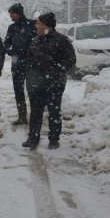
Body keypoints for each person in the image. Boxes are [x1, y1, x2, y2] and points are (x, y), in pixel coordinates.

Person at [23, 12, 76, 150]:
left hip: (54, 84)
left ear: (46, 26)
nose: (35, 25)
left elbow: (70, 61)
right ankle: (33, 138)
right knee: (35, 112)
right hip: (36, 84)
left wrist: (55, 69)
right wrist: (29, 74)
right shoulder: (35, 40)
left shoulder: (61, 41)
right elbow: (28, 60)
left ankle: (54, 139)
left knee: (54, 111)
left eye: (38, 23)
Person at [3, 3, 36, 126]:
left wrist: (29, 52)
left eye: (12, 13)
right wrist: (12, 51)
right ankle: (22, 117)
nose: (10, 16)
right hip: (16, 63)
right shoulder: (11, 27)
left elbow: (38, 41)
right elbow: (6, 43)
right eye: (10, 14)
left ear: (19, 13)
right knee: (18, 89)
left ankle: (34, 116)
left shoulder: (32, 24)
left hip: (31, 63)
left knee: (32, 89)